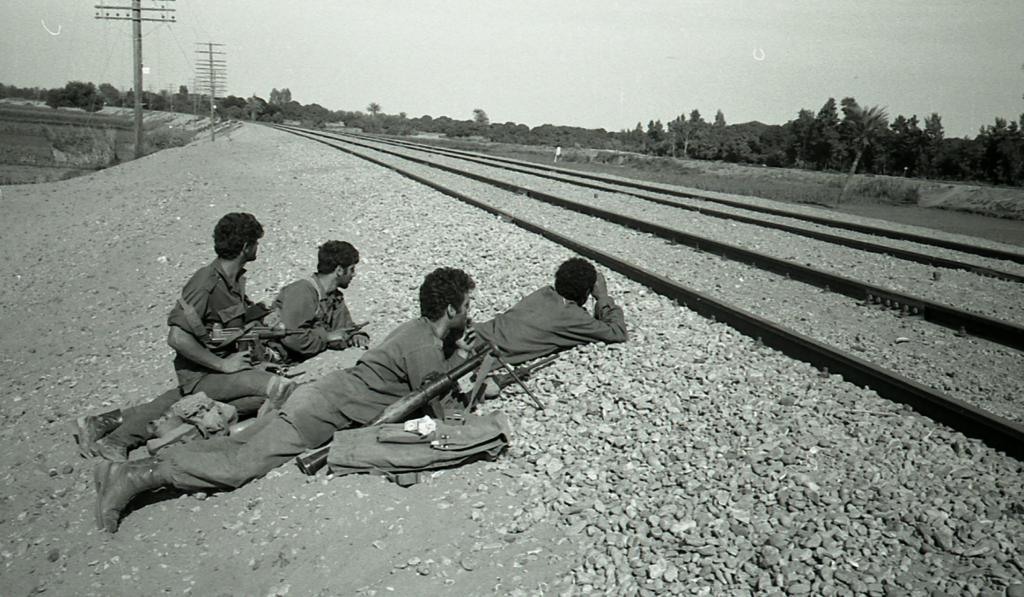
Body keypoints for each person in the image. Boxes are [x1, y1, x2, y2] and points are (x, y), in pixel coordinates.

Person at [94, 267, 477, 533]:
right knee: (238, 467)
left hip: (315, 398)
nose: (470, 312)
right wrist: (465, 363)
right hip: (316, 414)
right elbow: (444, 414)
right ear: (451, 310)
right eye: (468, 306)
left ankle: (130, 469)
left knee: (235, 444)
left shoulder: (416, 332)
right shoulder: (424, 347)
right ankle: (133, 478)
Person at [74, 213, 295, 461]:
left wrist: (259, 317)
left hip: (216, 369)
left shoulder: (231, 281)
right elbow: (177, 337)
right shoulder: (205, 284)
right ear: (246, 247)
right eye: (256, 243)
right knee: (273, 389)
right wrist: (223, 364)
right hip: (203, 373)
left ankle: (104, 422)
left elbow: (218, 326)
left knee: (246, 399)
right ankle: (117, 441)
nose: (258, 248)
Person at [474, 258, 627, 366]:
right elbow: (616, 333)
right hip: (474, 356)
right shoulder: (573, 317)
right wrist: (603, 297)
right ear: (586, 292)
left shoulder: (543, 293)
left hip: (473, 333)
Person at [267, 240, 370, 362]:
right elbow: (294, 338)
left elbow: (343, 329)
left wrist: (355, 336)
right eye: (352, 269)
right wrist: (326, 337)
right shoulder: (302, 291)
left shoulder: (334, 297)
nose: (354, 275)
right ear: (339, 271)